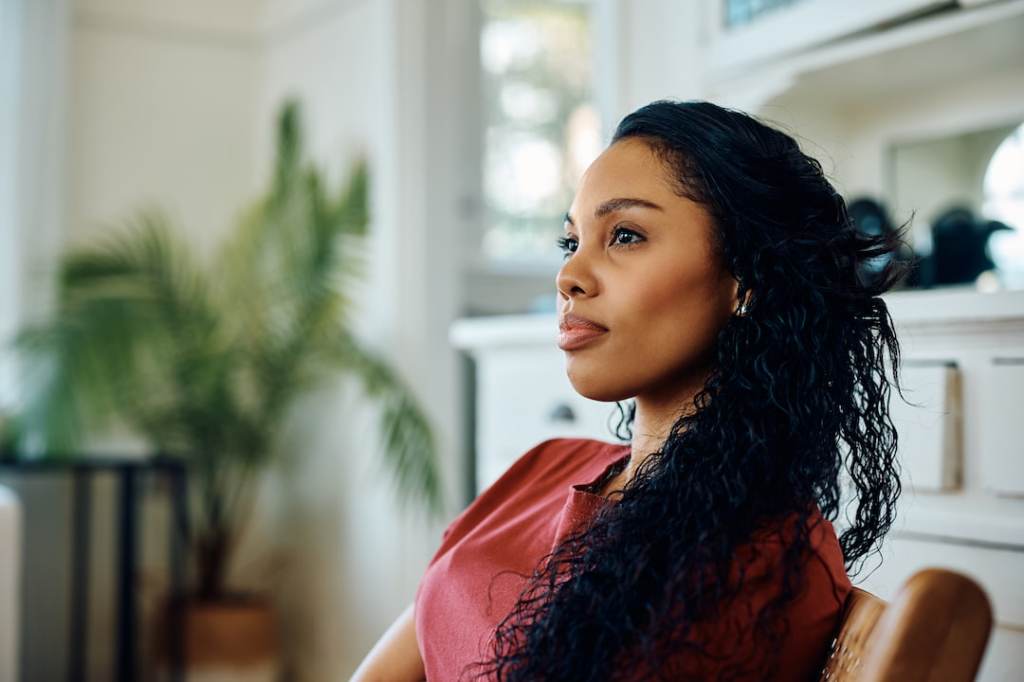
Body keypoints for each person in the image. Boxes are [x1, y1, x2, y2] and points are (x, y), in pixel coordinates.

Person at [352, 99, 909, 681]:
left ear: (748, 282)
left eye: (624, 235)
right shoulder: (543, 468)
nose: (569, 277)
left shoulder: (759, 558)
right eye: (571, 242)